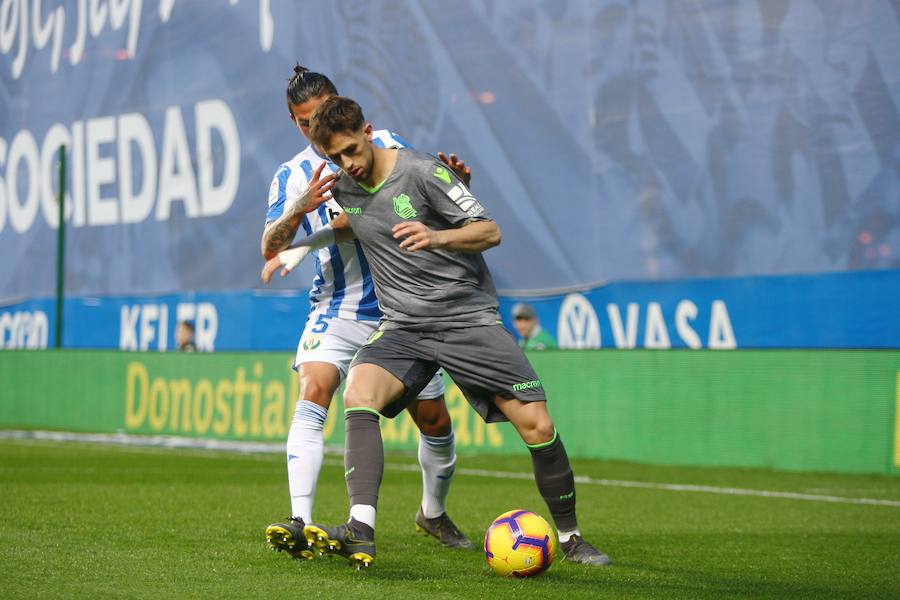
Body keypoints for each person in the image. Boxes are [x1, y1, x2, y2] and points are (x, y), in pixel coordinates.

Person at [301, 96, 610, 568]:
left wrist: (436, 234)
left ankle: (570, 538)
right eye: (335, 158)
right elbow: (351, 226)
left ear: (368, 130)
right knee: (359, 392)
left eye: (350, 150)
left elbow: (489, 230)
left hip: (466, 319)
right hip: (404, 325)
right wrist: (292, 245)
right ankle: (361, 527)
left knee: (538, 426)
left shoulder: (424, 171)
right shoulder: (343, 189)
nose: (348, 164)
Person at [260, 66, 473, 561]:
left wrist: (454, 188)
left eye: (328, 113)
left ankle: (432, 512)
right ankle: (300, 520)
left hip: (403, 308)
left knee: (435, 420)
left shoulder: (386, 144)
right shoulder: (290, 177)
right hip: (337, 306)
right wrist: (298, 210)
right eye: (309, 121)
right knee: (314, 388)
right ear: (296, 123)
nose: (321, 127)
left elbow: (421, 201)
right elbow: (270, 246)